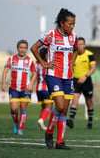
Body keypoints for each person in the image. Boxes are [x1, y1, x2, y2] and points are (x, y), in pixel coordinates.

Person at [31, 8, 78, 150]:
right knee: (60, 106)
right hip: (54, 75)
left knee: (64, 110)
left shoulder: (73, 36)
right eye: (70, 23)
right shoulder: (51, 35)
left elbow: (76, 49)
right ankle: (49, 131)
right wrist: (44, 63)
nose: (72, 26)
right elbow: (34, 48)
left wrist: (71, 62)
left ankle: (60, 142)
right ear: (62, 23)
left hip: (68, 77)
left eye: (73, 23)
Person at [2, 39, 37, 135]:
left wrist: (31, 84)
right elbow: (5, 70)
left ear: (26, 49)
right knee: (14, 108)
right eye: (21, 47)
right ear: (17, 48)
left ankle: (21, 128)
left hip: (25, 88)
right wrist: (4, 83)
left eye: (25, 48)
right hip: (13, 88)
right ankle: (16, 123)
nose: (22, 50)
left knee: (23, 107)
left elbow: (34, 73)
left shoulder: (30, 61)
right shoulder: (11, 59)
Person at [67, 37, 96, 130]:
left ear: (84, 45)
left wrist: (85, 77)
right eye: (78, 44)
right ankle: (71, 120)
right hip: (75, 81)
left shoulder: (89, 54)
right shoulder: (73, 54)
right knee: (74, 99)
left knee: (89, 101)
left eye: (81, 44)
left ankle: (90, 121)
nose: (79, 46)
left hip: (86, 81)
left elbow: (93, 68)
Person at [36, 47, 54, 131]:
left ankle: (41, 124)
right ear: (46, 55)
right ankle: (42, 120)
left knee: (43, 107)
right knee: (49, 107)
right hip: (47, 88)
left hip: (38, 89)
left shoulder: (37, 64)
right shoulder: (49, 64)